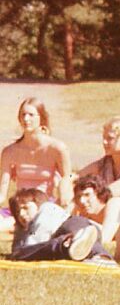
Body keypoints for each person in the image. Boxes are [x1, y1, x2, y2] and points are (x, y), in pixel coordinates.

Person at [0, 97, 72, 234]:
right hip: (20, 207)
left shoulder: (57, 148)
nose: (26, 119)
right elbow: (2, 192)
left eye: (31, 115)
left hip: (45, 206)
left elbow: (68, 177)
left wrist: (63, 192)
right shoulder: (9, 151)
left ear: (41, 118)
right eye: (23, 115)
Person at [9, 187, 107, 262]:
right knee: (85, 241)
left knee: (24, 253)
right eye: (17, 212)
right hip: (89, 229)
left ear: (38, 203)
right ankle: (102, 256)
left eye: (26, 208)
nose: (21, 214)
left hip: (71, 225)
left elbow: (32, 246)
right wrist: (20, 230)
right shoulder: (28, 225)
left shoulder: (45, 210)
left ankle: (69, 242)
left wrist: (19, 253)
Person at [76, 116, 120, 196]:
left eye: (110, 138)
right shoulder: (105, 163)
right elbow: (77, 175)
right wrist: (67, 180)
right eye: (104, 137)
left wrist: (96, 197)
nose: (104, 142)